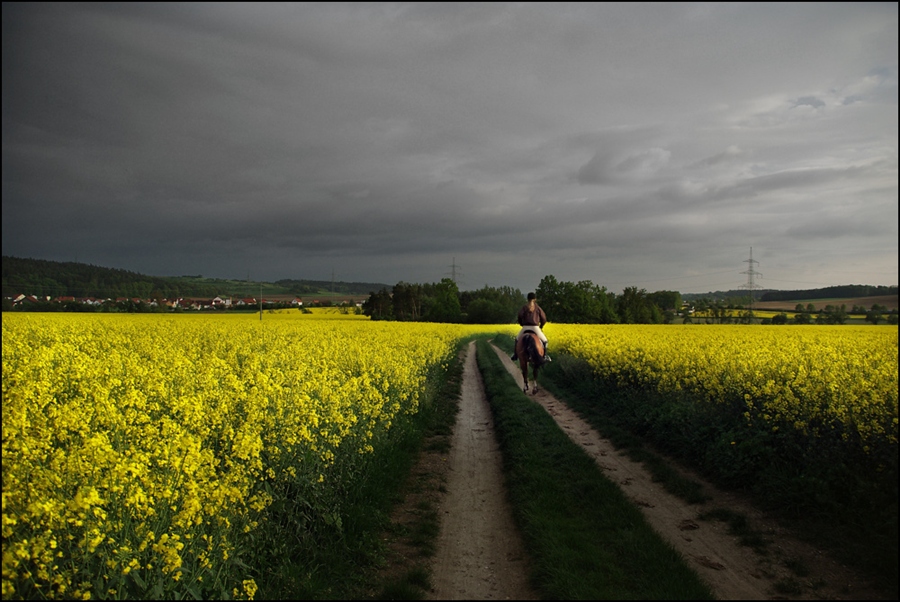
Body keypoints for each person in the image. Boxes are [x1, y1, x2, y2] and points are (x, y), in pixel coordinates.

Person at [511, 292, 551, 362]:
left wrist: (522, 324)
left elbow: (519, 316)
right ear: (535, 299)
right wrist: (541, 326)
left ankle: (515, 355)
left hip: (525, 327)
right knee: (545, 341)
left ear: (527, 299)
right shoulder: (537, 308)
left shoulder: (524, 307)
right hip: (535, 327)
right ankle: (545, 356)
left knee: (517, 340)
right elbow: (544, 318)